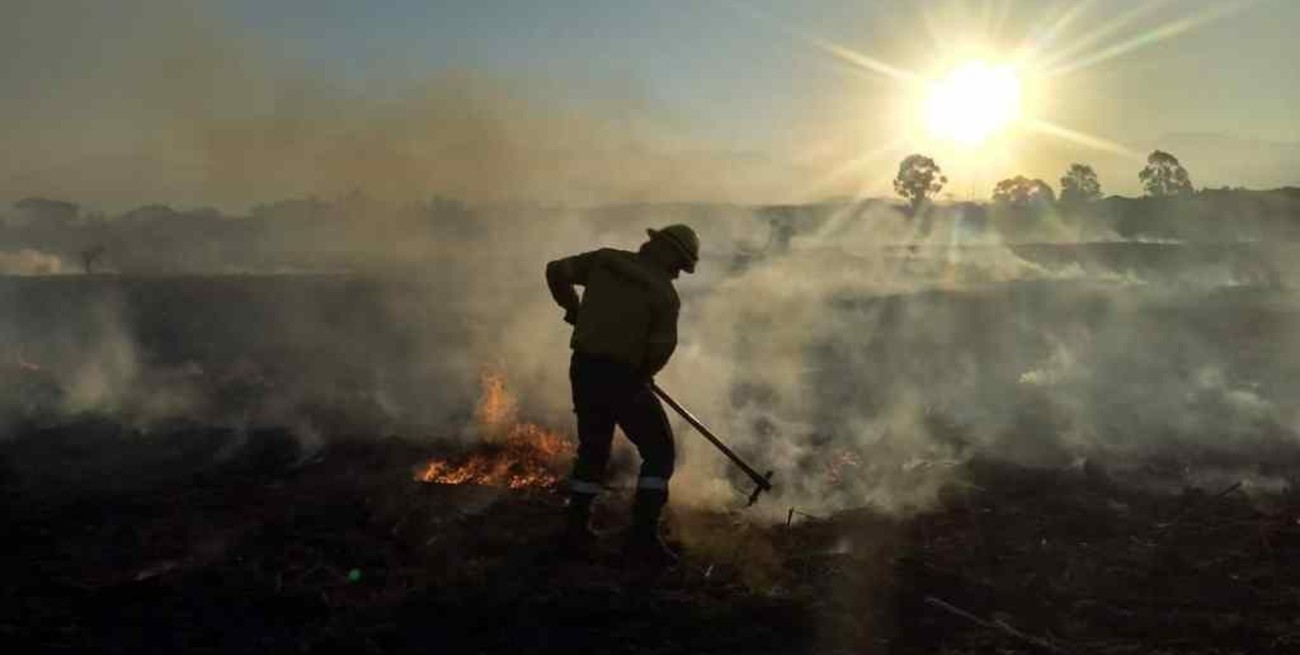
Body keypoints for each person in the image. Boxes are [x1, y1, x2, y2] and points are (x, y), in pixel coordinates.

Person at [545, 224, 700, 566]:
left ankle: (576, 532)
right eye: (679, 265)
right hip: (624, 378)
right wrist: (642, 374)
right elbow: (661, 349)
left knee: (593, 449)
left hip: (584, 368)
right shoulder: (663, 294)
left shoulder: (605, 261)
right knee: (659, 453)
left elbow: (556, 271)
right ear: (667, 252)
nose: (677, 274)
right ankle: (642, 539)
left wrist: (574, 310)